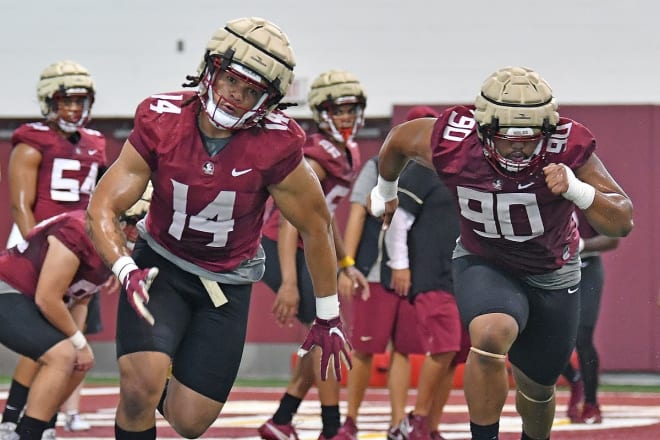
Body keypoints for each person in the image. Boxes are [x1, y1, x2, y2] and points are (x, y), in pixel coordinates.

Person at [85, 17, 351, 440]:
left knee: (191, 422)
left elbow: (316, 228)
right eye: (231, 80)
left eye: (251, 92)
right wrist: (124, 267)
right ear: (210, 69)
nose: (234, 97)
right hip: (160, 268)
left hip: (227, 281)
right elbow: (102, 205)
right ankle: (148, 381)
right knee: (139, 388)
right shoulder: (162, 117)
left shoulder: (278, 144)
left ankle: (158, 383)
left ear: (269, 102)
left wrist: (328, 316)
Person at [368, 66, 633, 440]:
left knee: (538, 390)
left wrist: (577, 189)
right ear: (483, 128)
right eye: (507, 137)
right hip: (485, 261)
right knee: (491, 335)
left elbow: (622, 221)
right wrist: (385, 191)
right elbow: (398, 140)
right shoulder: (453, 141)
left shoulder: (567, 149)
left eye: (529, 138)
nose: (519, 147)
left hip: (553, 273)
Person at [336, 106, 467, 440]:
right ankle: (350, 420)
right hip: (378, 269)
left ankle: (400, 422)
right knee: (366, 348)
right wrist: (347, 265)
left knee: (404, 350)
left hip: (413, 271)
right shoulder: (379, 165)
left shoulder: (436, 169)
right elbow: (361, 212)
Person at [258, 69, 368, 440]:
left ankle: (282, 419)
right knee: (328, 333)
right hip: (282, 246)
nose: (347, 118)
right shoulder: (318, 156)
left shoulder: (347, 152)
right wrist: (289, 282)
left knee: (321, 337)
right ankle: (331, 427)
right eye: (339, 111)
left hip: (307, 248)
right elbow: (293, 221)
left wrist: (346, 262)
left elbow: (325, 216)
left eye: (352, 110)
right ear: (322, 113)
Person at [1, 60, 107, 439]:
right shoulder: (32, 141)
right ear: (49, 101)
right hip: (41, 247)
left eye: (81, 101)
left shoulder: (96, 144)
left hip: (80, 250)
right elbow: (20, 206)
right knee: (49, 341)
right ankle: (15, 417)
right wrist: (39, 255)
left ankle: (39, 422)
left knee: (70, 341)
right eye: (66, 101)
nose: (74, 109)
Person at [0, 210, 112, 440]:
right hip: (9, 287)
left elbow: (81, 300)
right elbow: (47, 298)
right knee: (62, 355)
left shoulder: (110, 245)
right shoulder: (81, 229)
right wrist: (78, 343)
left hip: (29, 298)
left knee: (79, 361)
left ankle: (32, 429)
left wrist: (79, 344)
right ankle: (22, 430)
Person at [561, 210, 619, 424]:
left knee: (582, 334)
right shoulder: (537, 189)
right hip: (549, 271)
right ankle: (575, 379)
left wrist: (581, 245)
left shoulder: (586, 192)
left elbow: (612, 239)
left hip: (586, 267)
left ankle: (591, 402)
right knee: (543, 337)